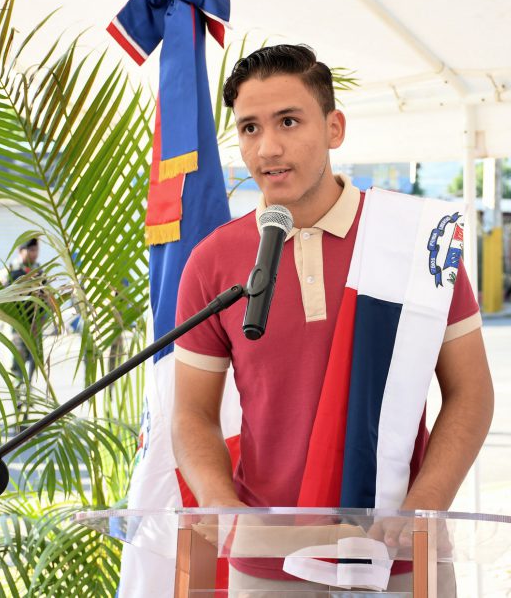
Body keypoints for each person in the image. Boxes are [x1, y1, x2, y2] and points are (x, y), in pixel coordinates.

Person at [172, 45, 493, 594]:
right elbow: (191, 414)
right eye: (249, 128)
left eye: (288, 121)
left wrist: (424, 507)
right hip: (268, 565)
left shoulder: (419, 246)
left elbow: (471, 392)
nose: (268, 148)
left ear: (334, 128)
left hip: (399, 554)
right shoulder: (213, 261)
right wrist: (222, 507)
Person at [2, 238, 43, 404]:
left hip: (35, 327)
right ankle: (18, 398)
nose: (34, 254)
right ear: (21, 251)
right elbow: (3, 299)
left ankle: (27, 397)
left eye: (36, 250)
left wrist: (41, 321)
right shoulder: (11, 270)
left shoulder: (39, 271)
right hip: (16, 327)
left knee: (33, 363)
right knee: (17, 363)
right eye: (30, 250)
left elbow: (46, 299)